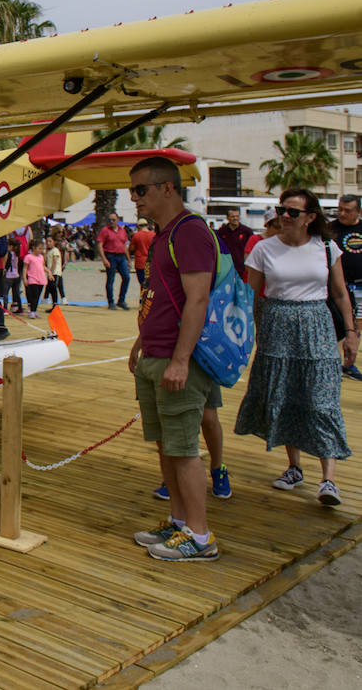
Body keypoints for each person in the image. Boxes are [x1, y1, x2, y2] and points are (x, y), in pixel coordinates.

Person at [234, 188, 354, 507]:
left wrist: (352, 332)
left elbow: (340, 294)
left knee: (321, 399)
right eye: (281, 210)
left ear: (310, 218)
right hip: (277, 325)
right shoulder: (263, 249)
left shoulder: (327, 247)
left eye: (292, 212)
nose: (283, 216)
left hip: (318, 325)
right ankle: (294, 467)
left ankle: (329, 480)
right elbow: (250, 296)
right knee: (284, 395)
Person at [126, 156, 220, 561]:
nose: (134, 199)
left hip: (178, 358)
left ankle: (200, 536)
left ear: (168, 188)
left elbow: (198, 298)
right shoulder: (164, 235)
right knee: (166, 444)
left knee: (183, 448)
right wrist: (140, 341)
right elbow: (161, 296)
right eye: (133, 191)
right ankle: (179, 521)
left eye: (140, 190)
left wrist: (181, 359)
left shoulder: (190, 232)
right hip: (156, 352)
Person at [329, 194, 362, 381]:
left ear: (358, 211)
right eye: (340, 209)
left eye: (347, 210)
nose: (342, 213)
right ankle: (340, 363)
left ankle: (349, 363)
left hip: (360, 287)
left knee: (357, 326)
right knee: (340, 326)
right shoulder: (330, 229)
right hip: (338, 289)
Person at [98, 212, 131, 310]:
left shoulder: (122, 231)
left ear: (118, 220)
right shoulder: (105, 230)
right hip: (110, 256)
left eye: (113, 220)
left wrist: (129, 260)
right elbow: (100, 245)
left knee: (126, 277)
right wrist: (104, 259)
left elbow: (124, 246)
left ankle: (121, 300)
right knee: (110, 280)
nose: (111, 222)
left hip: (121, 257)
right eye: (110, 220)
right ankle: (111, 302)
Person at [216, 207, 253, 282]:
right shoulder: (221, 232)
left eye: (237, 216)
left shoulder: (247, 232)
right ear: (227, 218)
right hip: (226, 270)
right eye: (233, 216)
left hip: (242, 270)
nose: (235, 218)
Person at [130, 217, 156, 290]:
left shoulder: (136, 235)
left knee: (142, 283)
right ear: (147, 225)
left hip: (140, 263)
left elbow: (131, 249)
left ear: (138, 226)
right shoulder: (153, 235)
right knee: (151, 284)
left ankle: (143, 298)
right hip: (151, 263)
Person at [23, 242, 46, 318]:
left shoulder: (41, 257)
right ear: (33, 248)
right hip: (32, 278)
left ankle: (35, 310)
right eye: (39, 248)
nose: (41, 250)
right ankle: (32, 311)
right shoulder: (28, 257)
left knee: (38, 296)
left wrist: (49, 272)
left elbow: (43, 267)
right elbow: (25, 268)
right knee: (34, 295)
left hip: (41, 278)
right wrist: (24, 278)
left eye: (41, 249)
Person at [43, 236, 64, 310]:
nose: (48, 243)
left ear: (54, 242)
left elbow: (54, 262)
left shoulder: (55, 250)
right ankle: (54, 304)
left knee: (53, 287)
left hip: (55, 272)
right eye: (47, 242)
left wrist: (50, 272)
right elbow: (45, 261)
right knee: (51, 288)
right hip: (51, 272)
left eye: (50, 241)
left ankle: (55, 304)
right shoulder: (49, 251)